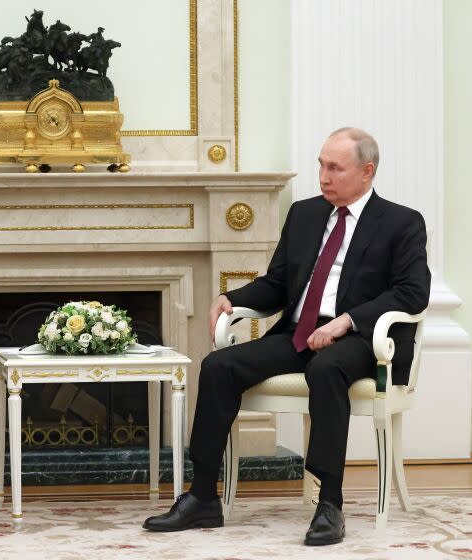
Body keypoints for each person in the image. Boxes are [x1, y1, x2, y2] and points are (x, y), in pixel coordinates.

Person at [142, 127, 430, 546]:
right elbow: (278, 284)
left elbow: (411, 292)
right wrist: (231, 299)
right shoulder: (305, 214)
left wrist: (346, 321)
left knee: (328, 369)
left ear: (367, 172)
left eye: (335, 168)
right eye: (321, 165)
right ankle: (202, 494)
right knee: (219, 365)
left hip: (362, 340)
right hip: (300, 332)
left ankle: (329, 503)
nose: (324, 176)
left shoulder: (401, 222)